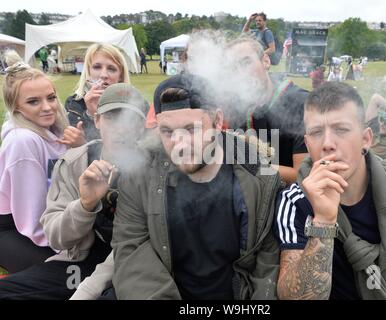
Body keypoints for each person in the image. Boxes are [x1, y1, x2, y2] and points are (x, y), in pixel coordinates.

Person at [112, 73, 281, 300]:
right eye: (167, 131)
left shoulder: (260, 175)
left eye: (191, 129)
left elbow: (267, 263)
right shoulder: (140, 175)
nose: (179, 142)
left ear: (218, 121)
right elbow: (132, 252)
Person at [275, 82, 386, 300]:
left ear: (366, 139)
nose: (328, 143)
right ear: (308, 143)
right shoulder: (295, 201)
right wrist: (323, 221)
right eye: (317, 132)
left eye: (342, 130)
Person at [0, 83, 149, 299]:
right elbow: (58, 238)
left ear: (142, 126)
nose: (121, 128)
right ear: (97, 120)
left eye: (130, 120)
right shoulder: (73, 162)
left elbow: (136, 244)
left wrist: (87, 291)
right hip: (82, 260)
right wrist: (84, 205)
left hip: (131, 264)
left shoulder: (154, 168)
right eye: (111, 118)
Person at [0, 63, 68, 273]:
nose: (47, 107)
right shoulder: (23, 141)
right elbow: (30, 218)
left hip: (51, 219)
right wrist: (65, 244)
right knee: (68, 275)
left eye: (51, 97)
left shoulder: (56, 130)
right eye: (33, 101)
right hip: (15, 228)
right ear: (16, 107)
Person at [227, 36, 309, 184]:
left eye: (246, 63)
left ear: (265, 61)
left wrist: (250, 164)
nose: (241, 73)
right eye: (233, 68)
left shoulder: (301, 103)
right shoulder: (236, 107)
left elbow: (303, 175)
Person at [60, 43, 131, 148]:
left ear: (120, 76)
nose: (103, 75)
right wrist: (90, 113)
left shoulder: (133, 103)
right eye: (97, 67)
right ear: (88, 72)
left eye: (111, 69)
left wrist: (98, 114)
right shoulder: (75, 104)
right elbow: (86, 149)